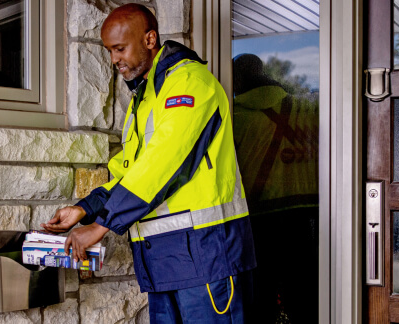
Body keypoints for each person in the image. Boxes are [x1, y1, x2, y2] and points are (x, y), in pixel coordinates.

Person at [42, 4, 256, 323]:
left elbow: (163, 164)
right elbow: (132, 174)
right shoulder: (144, 100)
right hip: (165, 266)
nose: (114, 59)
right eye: (109, 51)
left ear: (150, 38)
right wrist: (85, 208)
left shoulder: (189, 84)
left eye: (120, 48)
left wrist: (101, 227)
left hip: (206, 262)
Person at [233, 54, 319, 323]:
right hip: (308, 216)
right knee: (306, 297)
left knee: (262, 299)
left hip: (260, 218)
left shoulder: (234, 116)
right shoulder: (305, 109)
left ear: (237, 80)